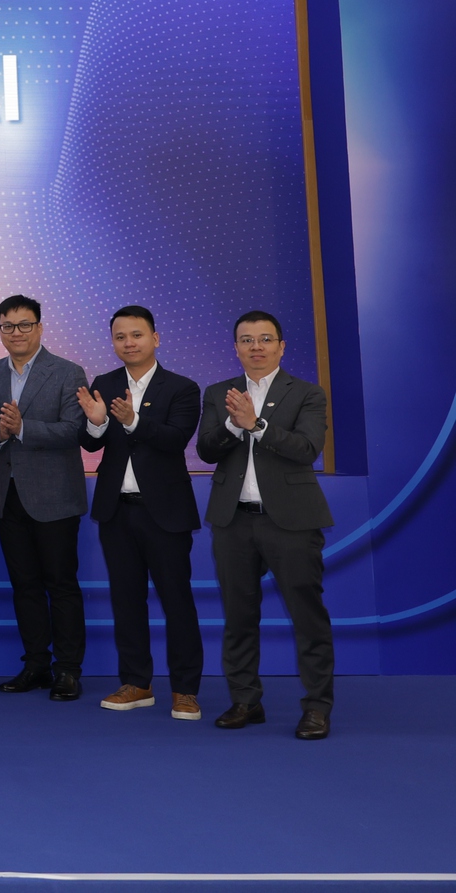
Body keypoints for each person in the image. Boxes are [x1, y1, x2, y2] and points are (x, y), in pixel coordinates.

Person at [197, 310, 334, 740]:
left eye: (265, 339)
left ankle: (317, 707)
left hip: (291, 522)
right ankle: (245, 700)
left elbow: (307, 448)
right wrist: (233, 425)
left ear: (281, 346)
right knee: (239, 617)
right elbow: (206, 450)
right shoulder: (218, 393)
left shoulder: (307, 393)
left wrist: (256, 425)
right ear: (236, 347)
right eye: (246, 340)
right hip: (233, 521)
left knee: (307, 617)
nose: (256, 347)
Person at [78, 305, 204, 720]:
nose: (128, 343)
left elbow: (174, 438)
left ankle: (185, 689)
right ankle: (136, 682)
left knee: (177, 602)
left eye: (137, 335)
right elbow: (91, 443)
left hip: (164, 513)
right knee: (126, 600)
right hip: (117, 511)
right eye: (120, 337)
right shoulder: (105, 383)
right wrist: (96, 424)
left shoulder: (182, 388)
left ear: (155, 338)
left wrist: (133, 421)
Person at [0, 295, 90, 701]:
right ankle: (36, 664)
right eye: (8, 326)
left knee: (61, 585)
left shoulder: (67, 371)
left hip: (55, 496)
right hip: (8, 496)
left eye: (24, 324)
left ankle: (68, 670)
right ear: (0, 330)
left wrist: (23, 428)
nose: (16, 333)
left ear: (40, 328)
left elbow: (73, 430)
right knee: (23, 585)